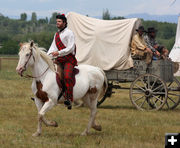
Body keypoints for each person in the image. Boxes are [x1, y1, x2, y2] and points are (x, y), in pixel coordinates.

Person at [47, 14, 77, 110]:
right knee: (48, 73)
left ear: (64, 23)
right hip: (59, 60)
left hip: (68, 60)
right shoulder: (56, 35)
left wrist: (58, 52)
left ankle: (69, 98)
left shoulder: (69, 33)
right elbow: (52, 47)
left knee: (67, 76)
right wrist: (47, 56)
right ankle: (44, 95)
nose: (57, 23)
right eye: (57, 22)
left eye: (59, 22)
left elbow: (70, 48)